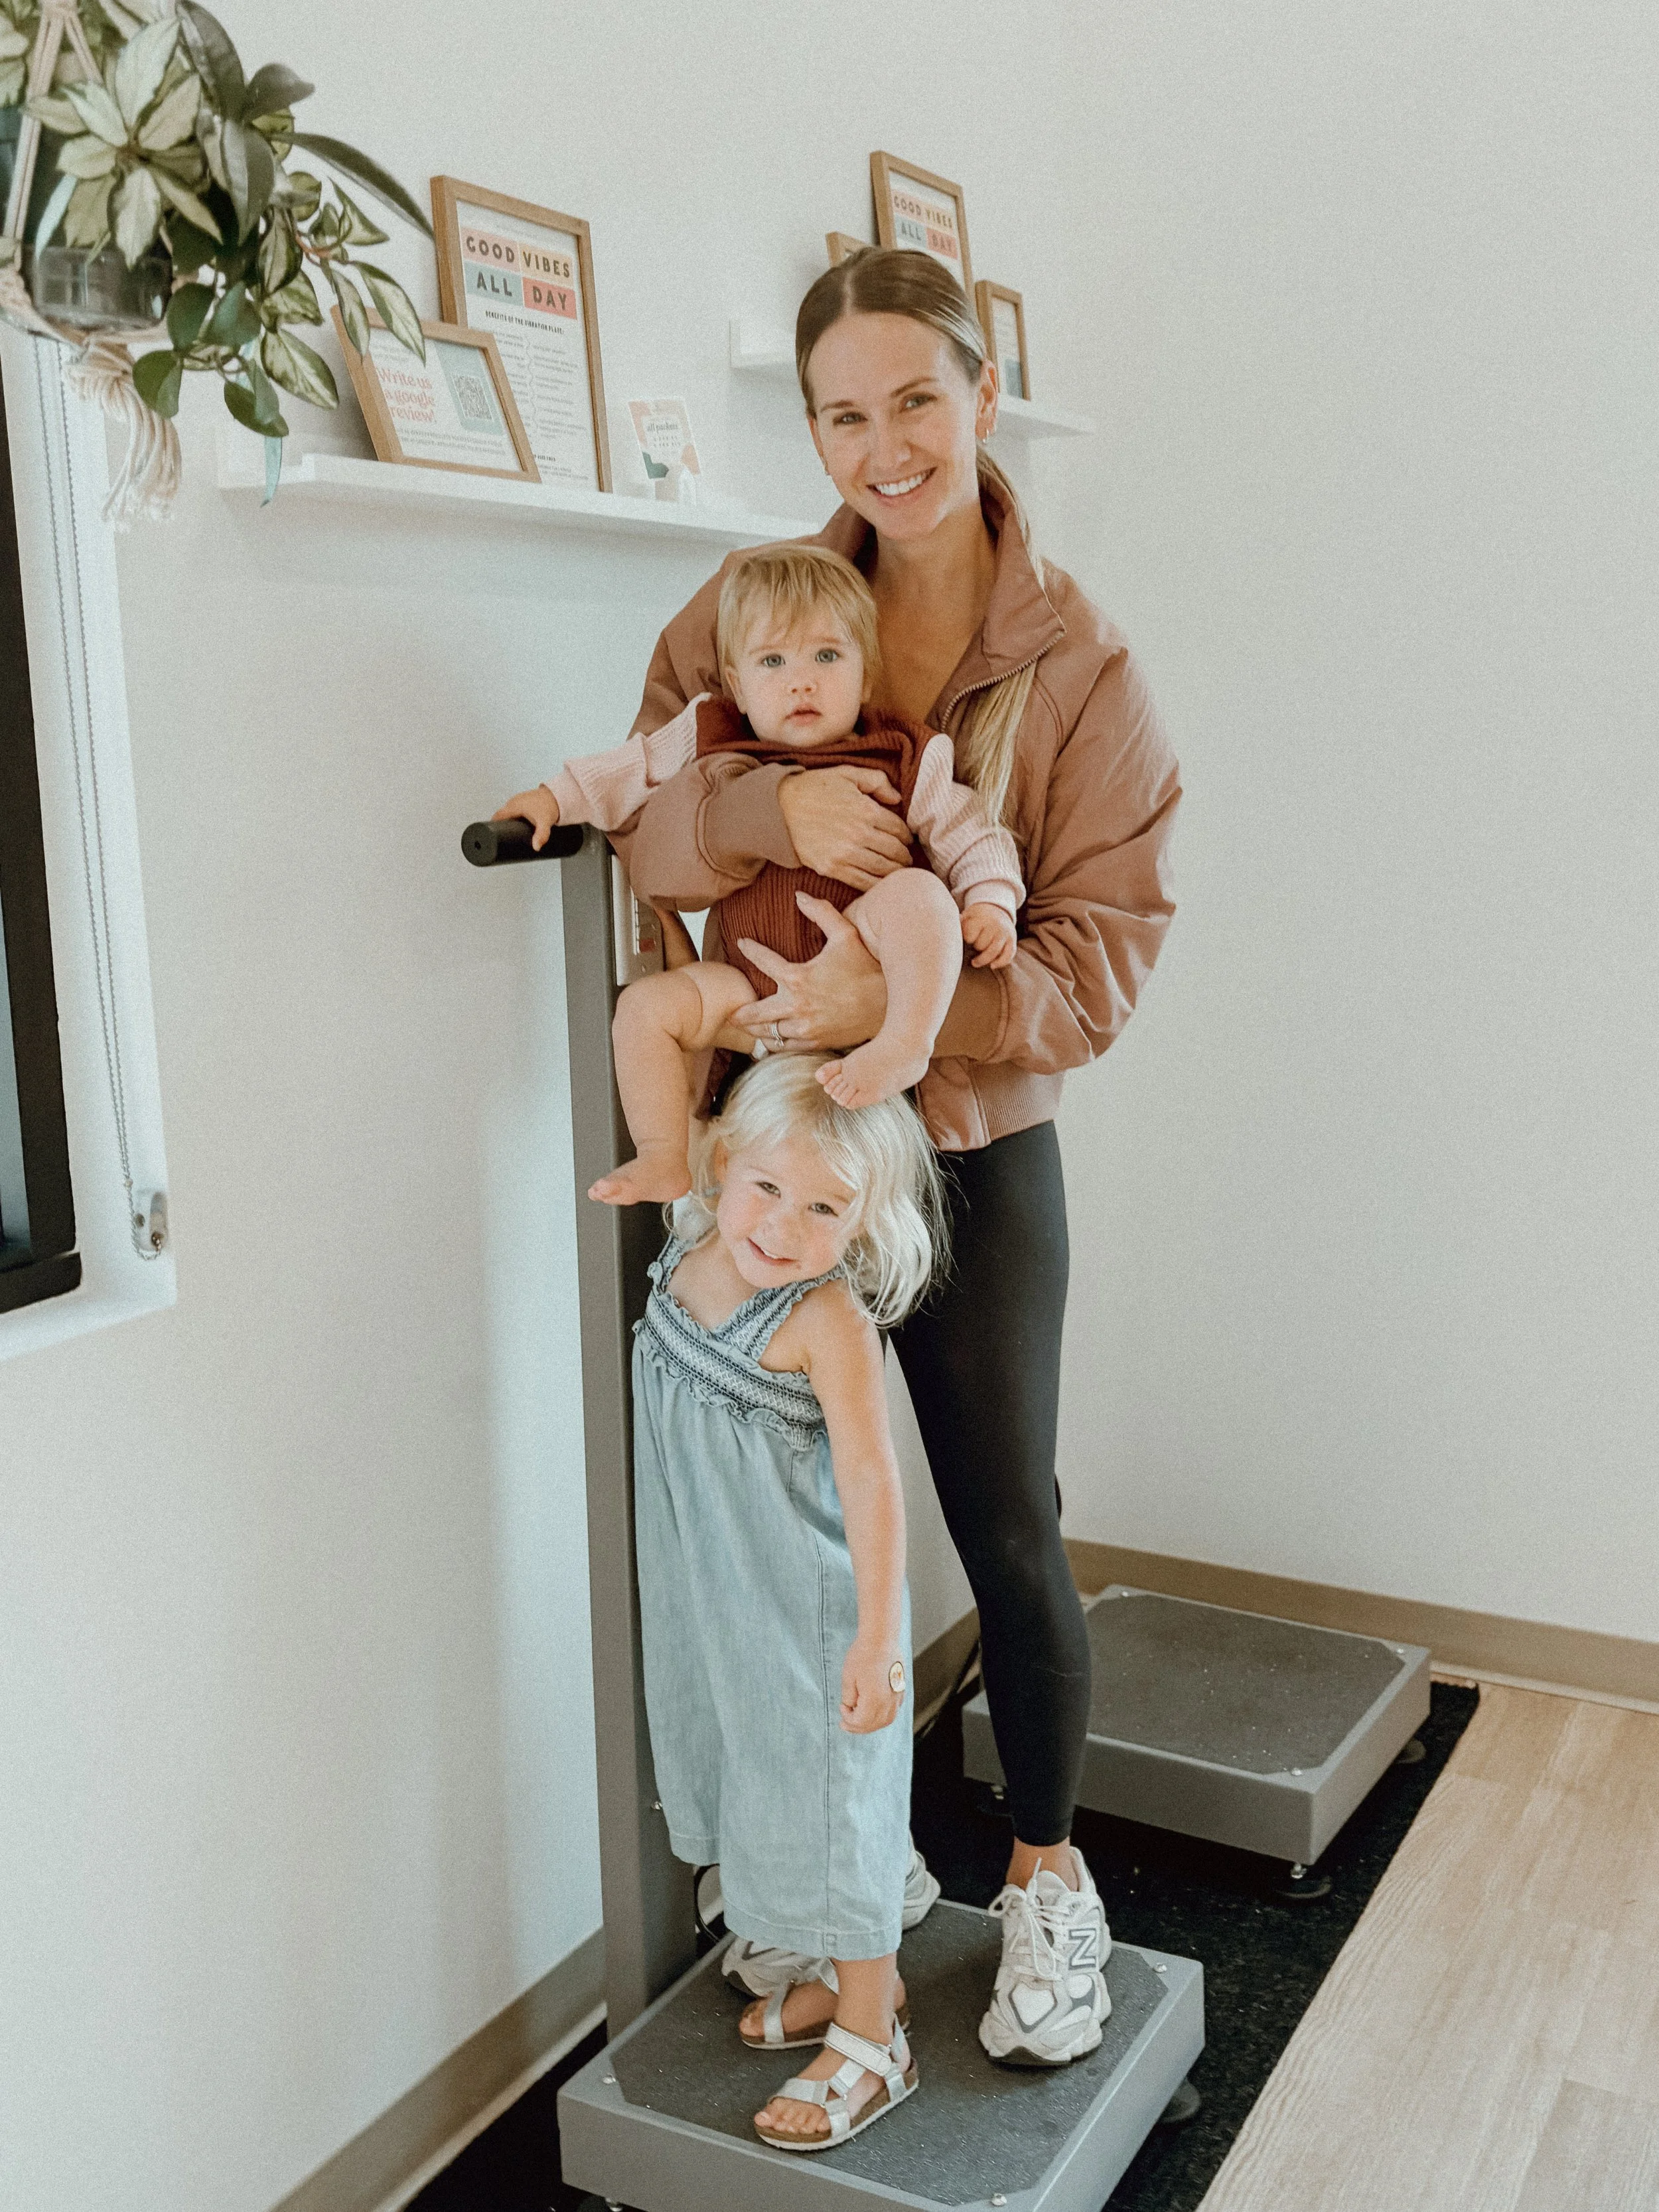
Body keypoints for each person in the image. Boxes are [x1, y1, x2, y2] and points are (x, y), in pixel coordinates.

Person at [495, 246, 1181, 2067]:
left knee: (1001, 1519)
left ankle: (1043, 1874)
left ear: (983, 387)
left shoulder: (1081, 664)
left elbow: (1100, 963)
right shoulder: (752, 602)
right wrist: (760, 807)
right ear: (811, 426)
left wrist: (892, 995)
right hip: (772, 1148)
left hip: (961, 1145)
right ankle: (812, 1896)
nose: (884, 445)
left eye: (916, 399)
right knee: (761, 1544)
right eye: (841, 412)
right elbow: (643, 823)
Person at [500, 542, 1021, 1207]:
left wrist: (991, 903)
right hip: (746, 991)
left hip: (860, 967)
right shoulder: (711, 731)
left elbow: (970, 831)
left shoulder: (905, 754)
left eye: (826, 657)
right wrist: (553, 800)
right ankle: (662, 1153)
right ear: (737, 684)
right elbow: (630, 770)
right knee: (643, 1009)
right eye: (772, 661)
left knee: (921, 895)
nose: (800, 680)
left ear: (866, 677)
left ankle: (904, 1044)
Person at [632, 1052, 944, 2148]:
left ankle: (875, 2033)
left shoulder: (824, 1318)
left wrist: (874, 1638)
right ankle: (857, 1989)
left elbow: (872, 1480)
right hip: (724, 1598)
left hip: (811, 1613)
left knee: (834, 1804)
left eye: (823, 1208)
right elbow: (672, 1009)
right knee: (773, 1789)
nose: (781, 1223)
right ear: (721, 1163)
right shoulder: (690, 1241)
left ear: (860, 1223)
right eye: (767, 1186)